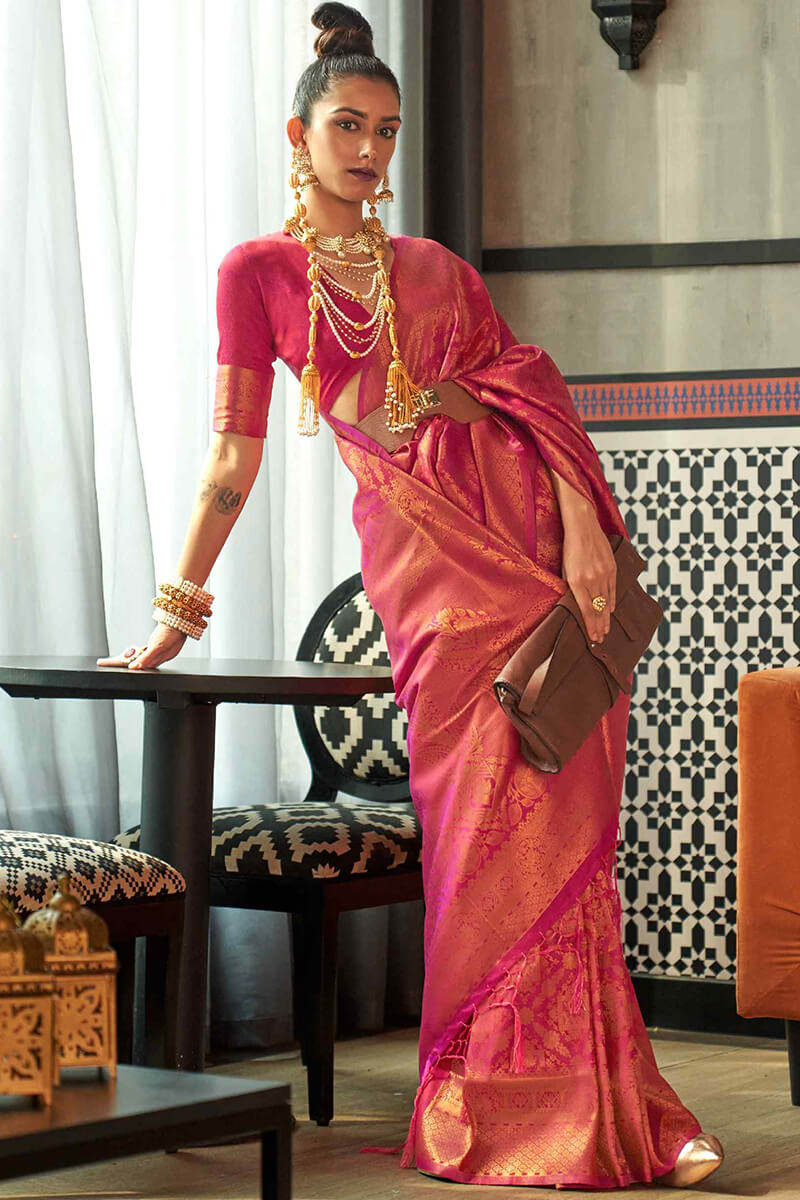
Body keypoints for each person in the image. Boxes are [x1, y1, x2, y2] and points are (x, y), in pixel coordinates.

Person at [98, 2, 725, 1189]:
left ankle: (623, 1108)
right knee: (484, 836)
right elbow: (230, 457)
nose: (369, 148)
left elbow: (531, 397)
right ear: (298, 133)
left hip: (529, 558)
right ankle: (491, 1108)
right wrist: (177, 609)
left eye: (385, 130)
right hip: (427, 576)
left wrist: (584, 535)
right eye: (347, 124)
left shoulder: (437, 270)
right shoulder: (256, 273)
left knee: (561, 830)